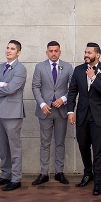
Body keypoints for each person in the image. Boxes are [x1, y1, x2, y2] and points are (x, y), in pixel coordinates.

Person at [67, 42, 101, 196]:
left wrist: (94, 78)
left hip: (98, 117)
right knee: (83, 147)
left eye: (89, 53)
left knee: (98, 150)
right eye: (85, 52)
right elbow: (72, 91)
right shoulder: (78, 70)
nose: (86, 55)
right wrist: (70, 112)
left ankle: (98, 183)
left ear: (97, 55)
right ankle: (88, 173)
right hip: (82, 116)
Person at [0, 40, 27, 191]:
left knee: (14, 147)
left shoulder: (20, 69)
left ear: (18, 52)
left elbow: (12, 89)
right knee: (2, 146)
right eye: (7, 48)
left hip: (12, 114)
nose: (9, 50)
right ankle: (5, 174)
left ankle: (16, 178)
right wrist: (2, 84)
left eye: (12, 49)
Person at [30, 40, 72, 185]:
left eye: (56, 51)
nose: (53, 53)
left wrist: (63, 99)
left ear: (59, 52)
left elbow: (72, 88)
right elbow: (35, 87)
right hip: (45, 110)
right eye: (51, 51)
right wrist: (42, 103)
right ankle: (44, 173)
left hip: (61, 110)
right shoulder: (40, 67)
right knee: (44, 143)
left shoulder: (67, 67)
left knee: (60, 142)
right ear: (47, 52)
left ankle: (59, 172)